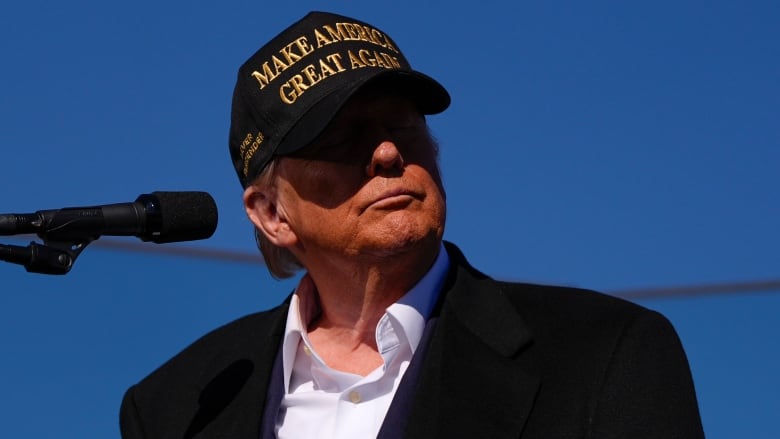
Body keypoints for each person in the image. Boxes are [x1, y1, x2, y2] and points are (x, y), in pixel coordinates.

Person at [119, 11, 705, 439]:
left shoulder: (603, 356)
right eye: (341, 139)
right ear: (272, 214)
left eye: (402, 126)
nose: (386, 155)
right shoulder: (177, 406)